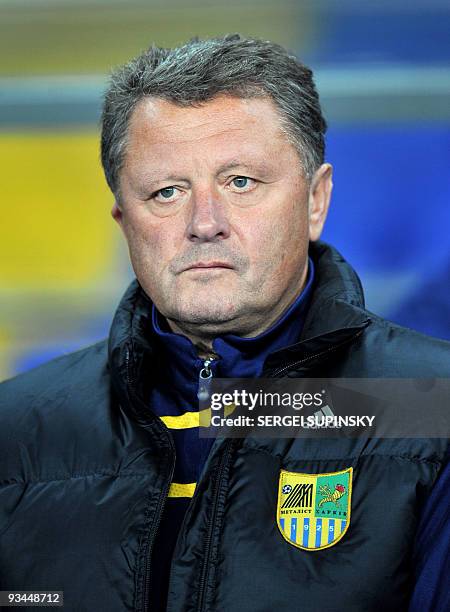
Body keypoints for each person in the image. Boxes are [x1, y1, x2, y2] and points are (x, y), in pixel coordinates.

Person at [0, 35, 449, 612]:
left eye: (241, 182)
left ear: (316, 201)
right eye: (166, 191)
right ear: (123, 220)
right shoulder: (15, 432)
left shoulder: (433, 409)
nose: (205, 223)